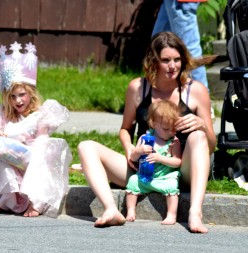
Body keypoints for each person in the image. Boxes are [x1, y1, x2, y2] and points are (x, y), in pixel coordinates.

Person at [78, 31, 216, 233]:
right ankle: (111, 210)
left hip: (180, 170)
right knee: (86, 146)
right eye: (166, 60)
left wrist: (202, 126)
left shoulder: (195, 90)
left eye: (177, 60)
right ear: (153, 61)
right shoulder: (138, 88)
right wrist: (129, 149)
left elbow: (210, 146)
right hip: (144, 169)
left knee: (198, 135)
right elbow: (126, 129)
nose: (172, 66)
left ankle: (195, 212)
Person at [0, 42, 72, 218]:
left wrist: (27, 147)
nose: (18, 101)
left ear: (31, 94)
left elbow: (42, 142)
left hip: (31, 158)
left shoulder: (40, 114)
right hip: (10, 159)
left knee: (40, 158)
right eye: (12, 97)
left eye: (22, 95)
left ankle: (35, 202)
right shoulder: (3, 114)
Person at [126, 100, 182, 224]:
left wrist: (160, 158)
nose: (171, 132)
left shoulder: (173, 141)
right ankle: (130, 210)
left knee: (172, 185)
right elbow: (133, 158)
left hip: (164, 177)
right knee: (133, 181)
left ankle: (171, 215)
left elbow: (177, 162)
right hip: (146, 177)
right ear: (154, 123)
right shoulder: (145, 139)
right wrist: (139, 151)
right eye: (166, 129)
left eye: (174, 129)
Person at [152, 0, 208, 90]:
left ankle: (203, 98)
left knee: (189, 50)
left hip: (181, 2)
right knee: (157, 44)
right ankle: (157, 95)